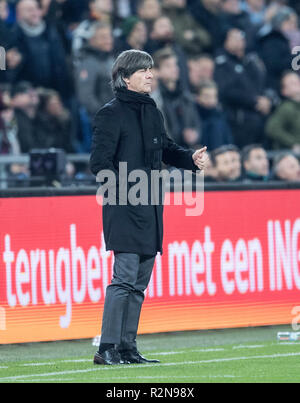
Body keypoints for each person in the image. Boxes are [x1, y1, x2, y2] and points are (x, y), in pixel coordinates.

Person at [89, 49, 208, 365]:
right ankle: (107, 348)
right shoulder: (110, 113)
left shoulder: (153, 111)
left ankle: (127, 348)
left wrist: (190, 160)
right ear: (126, 77)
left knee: (139, 283)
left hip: (152, 207)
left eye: (151, 69)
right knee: (124, 278)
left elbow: (166, 149)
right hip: (125, 207)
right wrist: (126, 191)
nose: (151, 75)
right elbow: (99, 164)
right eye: (144, 70)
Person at [214, 27, 272, 148]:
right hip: (238, 119)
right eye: (234, 38)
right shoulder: (222, 63)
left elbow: (264, 83)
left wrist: (267, 99)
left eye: (240, 37)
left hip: (260, 116)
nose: (238, 40)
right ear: (225, 41)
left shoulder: (252, 61)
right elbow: (226, 91)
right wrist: (254, 101)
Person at [151, 47, 202, 148]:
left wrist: (195, 134)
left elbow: (196, 123)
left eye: (175, 64)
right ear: (157, 71)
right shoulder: (154, 99)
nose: (174, 69)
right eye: (168, 66)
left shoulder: (185, 96)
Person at [74, 22, 115, 120]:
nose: (108, 40)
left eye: (109, 36)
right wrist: (106, 115)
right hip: (103, 121)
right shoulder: (87, 63)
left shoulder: (110, 59)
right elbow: (86, 97)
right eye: (103, 37)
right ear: (92, 40)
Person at [265, 71, 300, 152]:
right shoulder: (286, 108)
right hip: (292, 156)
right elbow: (272, 128)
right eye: (292, 83)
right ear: (284, 91)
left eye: (297, 80)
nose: (297, 83)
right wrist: (293, 143)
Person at [195, 80, 233, 151]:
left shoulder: (221, 116)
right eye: (207, 96)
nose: (211, 100)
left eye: (214, 96)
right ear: (197, 97)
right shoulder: (192, 115)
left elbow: (228, 141)